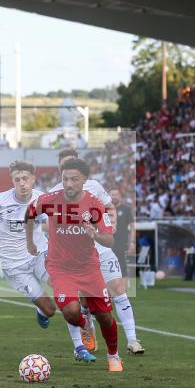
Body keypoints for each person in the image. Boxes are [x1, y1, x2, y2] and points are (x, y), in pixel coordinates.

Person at [0, 161, 97, 361]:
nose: (22, 183)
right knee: (49, 310)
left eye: (25, 178)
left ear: (33, 178)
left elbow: (55, 224)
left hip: (40, 255)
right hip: (14, 267)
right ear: (12, 181)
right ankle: (42, 310)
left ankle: (79, 347)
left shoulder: (43, 199)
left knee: (66, 296)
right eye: (17, 179)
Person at [26, 157, 124, 373]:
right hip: (59, 267)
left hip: (88, 268)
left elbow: (110, 240)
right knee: (71, 312)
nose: (68, 184)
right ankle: (84, 324)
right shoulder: (49, 199)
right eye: (65, 179)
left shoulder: (95, 205)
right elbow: (30, 214)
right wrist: (30, 242)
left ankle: (113, 355)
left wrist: (95, 234)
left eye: (74, 179)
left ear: (84, 180)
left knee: (105, 317)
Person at [51, 149, 144, 355]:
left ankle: (133, 340)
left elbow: (110, 207)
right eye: (65, 166)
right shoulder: (54, 194)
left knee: (118, 290)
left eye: (73, 164)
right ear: (60, 169)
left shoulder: (94, 186)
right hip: (75, 258)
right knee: (79, 303)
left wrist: (111, 225)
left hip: (101, 250)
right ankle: (82, 342)